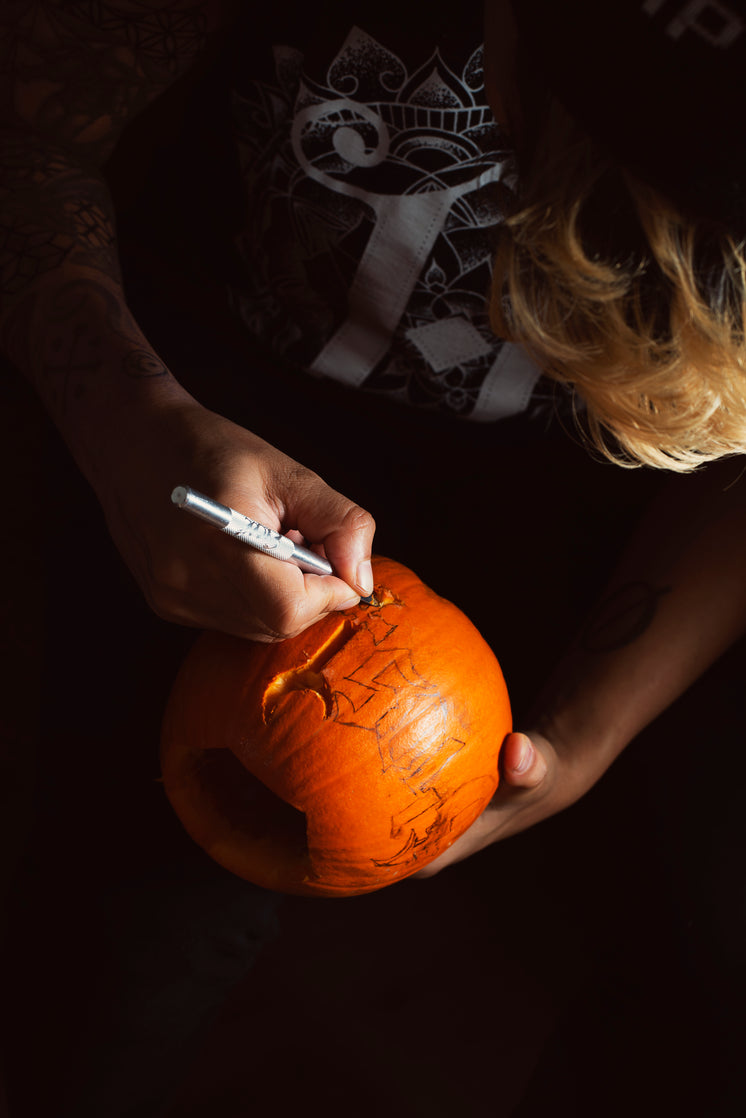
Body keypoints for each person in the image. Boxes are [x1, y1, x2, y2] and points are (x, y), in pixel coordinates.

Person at [1, 0, 746, 1112]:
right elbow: (25, 134)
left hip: (603, 514)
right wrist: (120, 418)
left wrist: (585, 738)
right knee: (124, 932)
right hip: (211, 415)